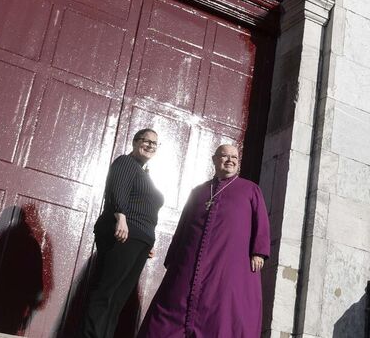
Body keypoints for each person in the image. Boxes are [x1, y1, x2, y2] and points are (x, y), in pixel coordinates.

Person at [138, 144, 270, 338]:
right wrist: (174, 258)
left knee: (222, 316)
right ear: (215, 160)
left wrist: (259, 251)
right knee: (169, 314)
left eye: (234, 157)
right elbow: (183, 227)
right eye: (225, 156)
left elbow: (262, 222)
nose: (230, 160)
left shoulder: (250, 190)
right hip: (190, 263)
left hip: (228, 264)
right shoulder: (199, 191)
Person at [81, 129, 164, 338]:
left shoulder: (144, 173)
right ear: (135, 142)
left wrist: (147, 241)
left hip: (139, 239)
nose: (150, 146)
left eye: (155, 143)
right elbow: (116, 191)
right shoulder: (126, 163)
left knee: (118, 297)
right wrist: (121, 218)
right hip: (124, 234)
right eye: (146, 141)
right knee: (106, 291)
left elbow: (145, 207)